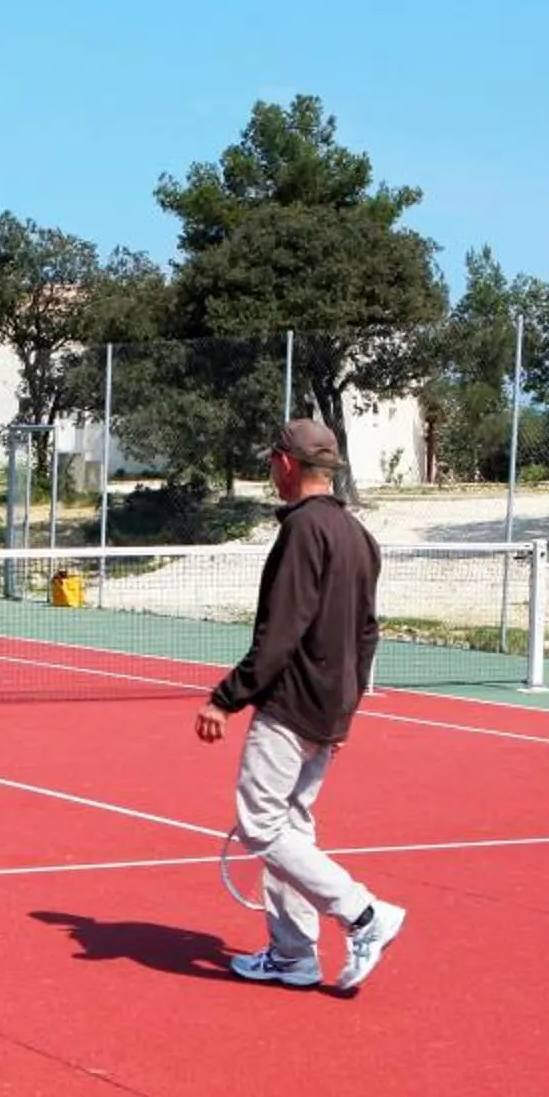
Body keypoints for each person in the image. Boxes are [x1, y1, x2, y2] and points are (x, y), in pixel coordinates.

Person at [195, 417, 403, 993]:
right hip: (329, 709)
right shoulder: (359, 536)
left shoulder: (302, 533)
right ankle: (292, 955)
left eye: (271, 463)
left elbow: (280, 631)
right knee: (292, 827)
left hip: (290, 707)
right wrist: (347, 707)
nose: (271, 471)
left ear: (286, 465)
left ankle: (364, 914)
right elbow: (368, 634)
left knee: (261, 825)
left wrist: (226, 698)